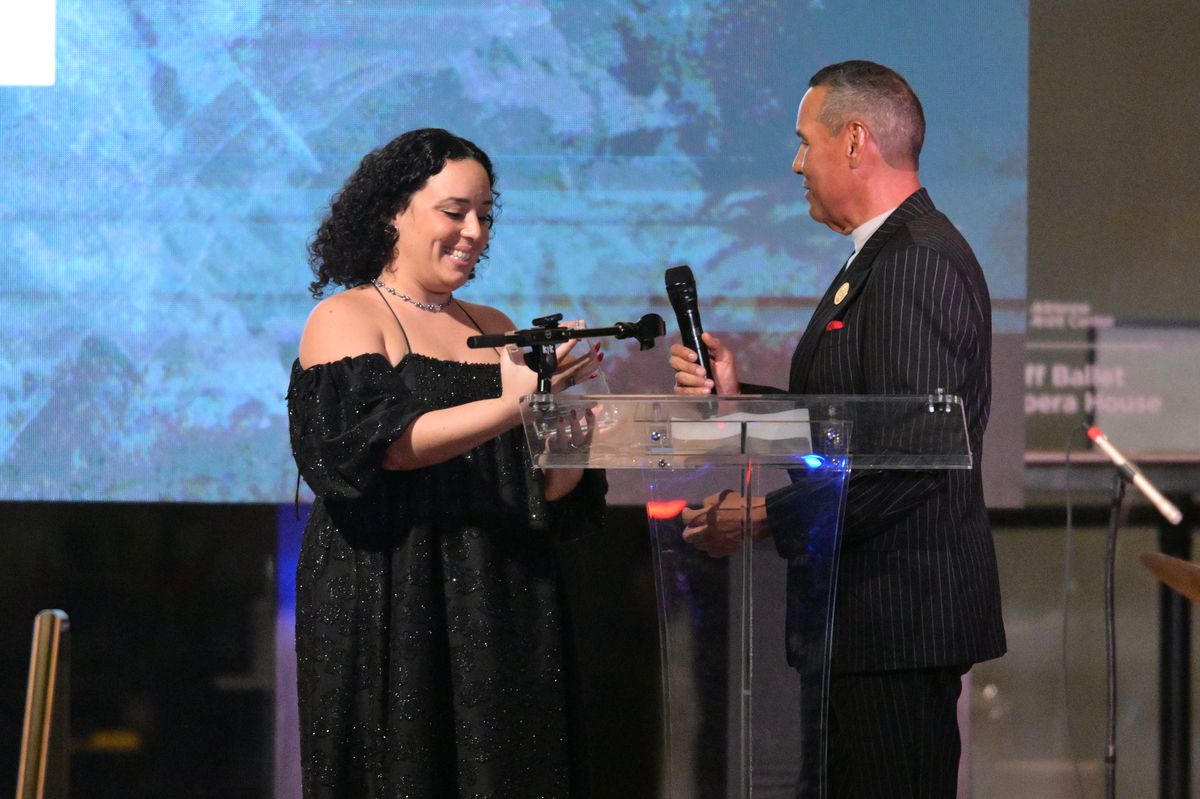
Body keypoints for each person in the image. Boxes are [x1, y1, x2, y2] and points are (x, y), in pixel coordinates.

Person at [669, 61, 1006, 797]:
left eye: (803, 141)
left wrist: (762, 516)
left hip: (896, 621)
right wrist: (739, 397)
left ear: (854, 141)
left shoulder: (915, 260)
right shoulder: (881, 257)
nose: (796, 163)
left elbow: (915, 454)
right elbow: (856, 422)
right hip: (858, 620)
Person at [286, 128, 605, 797]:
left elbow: (544, 490)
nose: (474, 231)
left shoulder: (495, 322)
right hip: (389, 591)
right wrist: (518, 402)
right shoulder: (345, 316)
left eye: (485, 215)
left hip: (501, 591)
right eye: (454, 211)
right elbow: (386, 447)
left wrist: (566, 422)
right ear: (392, 211)